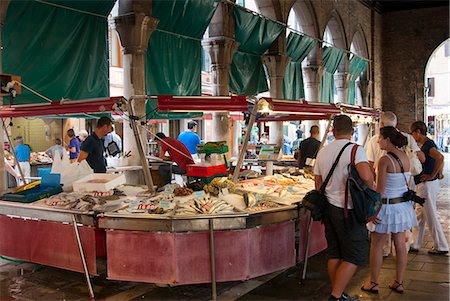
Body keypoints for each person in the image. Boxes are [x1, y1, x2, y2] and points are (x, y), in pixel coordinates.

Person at [314, 115, 374, 301]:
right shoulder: (355, 150)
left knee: (335, 252)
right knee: (355, 254)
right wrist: (371, 197)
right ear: (352, 131)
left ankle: (338, 295)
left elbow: (317, 183)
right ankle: (335, 296)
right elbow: (366, 176)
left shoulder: (322, 151)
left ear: (333, 131)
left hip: (328, 209)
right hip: (348, 210)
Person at [361, 127, 418, 294]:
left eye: (380, 138)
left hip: (386, 207)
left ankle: (373, 282)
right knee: (400, 244)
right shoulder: (406, 157)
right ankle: (399, 282)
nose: (378, 141)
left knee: (377, 244)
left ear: (388, 140)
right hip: (402, 207)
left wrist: (373, 212)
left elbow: (380, 191)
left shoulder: (384, 160)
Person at [366, 111, 424, 257]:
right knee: (400, 234)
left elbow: (370, 164)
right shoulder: (408, 138)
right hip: (404, 191)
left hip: (384, 193)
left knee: (379, 237)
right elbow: (421, 158)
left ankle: (385, 252)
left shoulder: (376, 143)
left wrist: (373, 191)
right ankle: (399, 274)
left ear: (381, 124)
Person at [409, 121, 448, 254]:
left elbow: (440, 158)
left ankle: (441, 246)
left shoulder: (428, 145)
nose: (413, 136)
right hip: (424, 185)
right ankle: (414, 243)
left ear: (418, 132)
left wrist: (432, 175)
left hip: (427, 185)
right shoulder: (427, 144)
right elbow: (439, 160)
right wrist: (440, 173)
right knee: (419, 215)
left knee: (430, 216)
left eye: (413, 133)